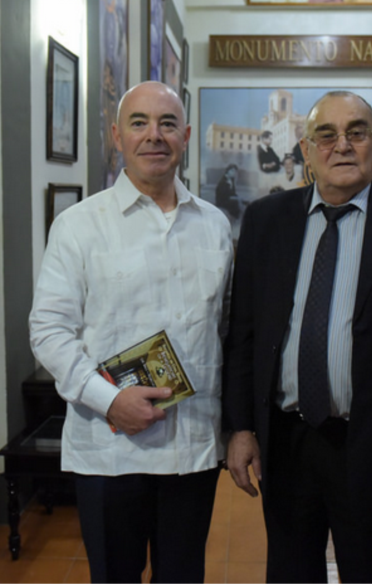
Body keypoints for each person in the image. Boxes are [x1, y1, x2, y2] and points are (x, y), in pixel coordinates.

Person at [223, 91, 372, 584]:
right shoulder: (266, 221)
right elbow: (245, 333)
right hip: (287, 441)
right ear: (307, 151)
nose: (343, 145)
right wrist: (240, 428)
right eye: (326, 135)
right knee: (290, 571)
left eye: (357, 132)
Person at [28, 82, 232, 584]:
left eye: (167, 124)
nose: (153, 136)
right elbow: (48, 330)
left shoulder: (215, 226)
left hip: (194, 448)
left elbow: (226, 330)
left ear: (184, 136)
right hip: (109, 448)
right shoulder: (79, 226)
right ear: (116, 136)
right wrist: (109, 399)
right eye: (138, 123)